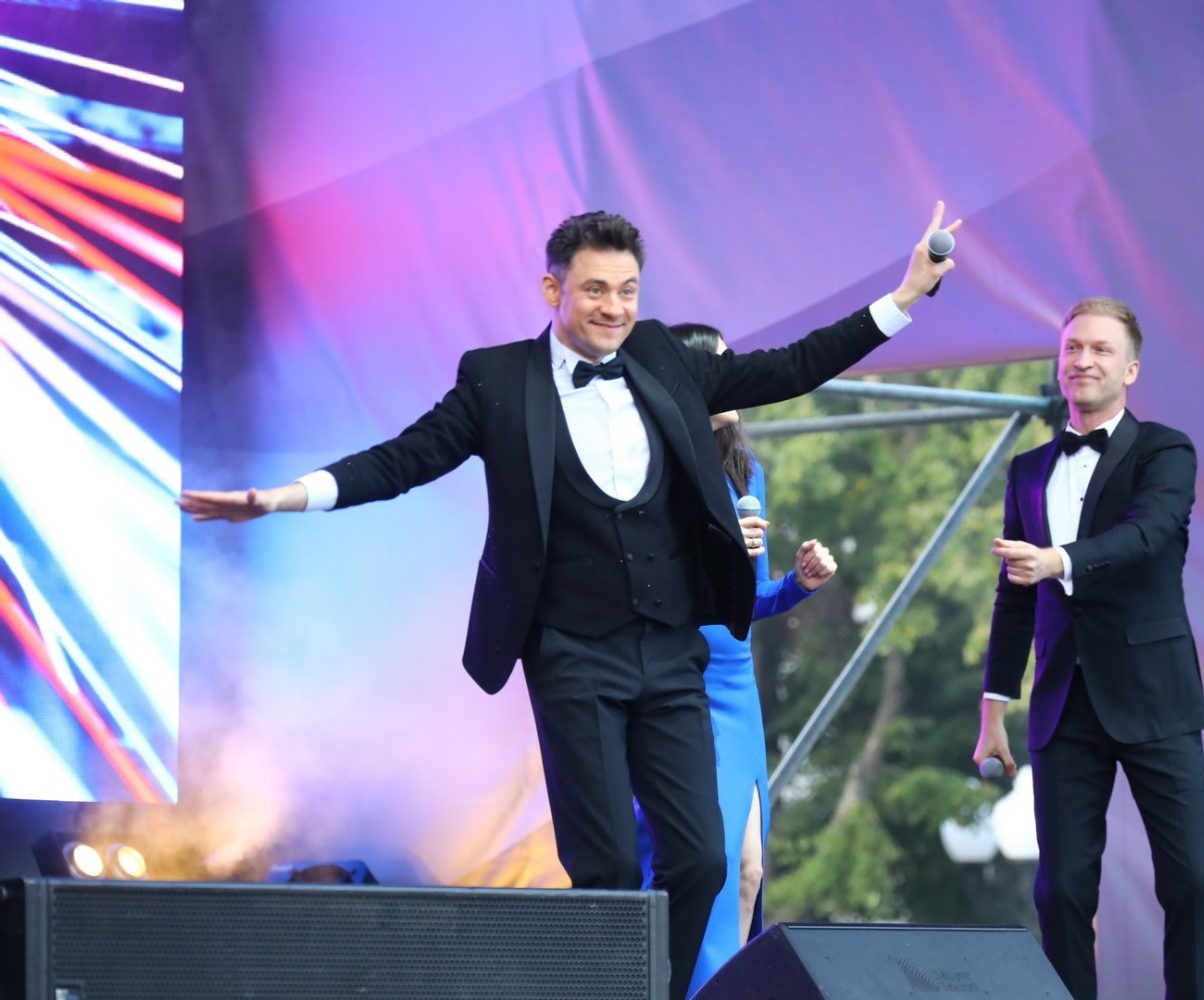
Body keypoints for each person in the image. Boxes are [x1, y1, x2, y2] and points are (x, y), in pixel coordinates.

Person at [181, 204, 958, 1000]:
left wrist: (904, 296)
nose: (614, 308)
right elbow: (405, 459)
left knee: (703, 860)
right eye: (594, 290)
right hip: (573, 656)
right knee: (609, 868)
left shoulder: (663, 357)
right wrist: (284, 497)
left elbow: (793, 366)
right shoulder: (497, 380)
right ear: (552, 289)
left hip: (671, 652)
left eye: (628, 290)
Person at [972, 297, 1204, 1000]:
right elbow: (1013, 597)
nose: (1082, 360)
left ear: (1130, 369)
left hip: (1156, 694)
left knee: (1191, 883)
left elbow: (1148, 536)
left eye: (1101, 349)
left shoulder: (1165, 451)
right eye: (1072, 348)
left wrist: (1058, 560)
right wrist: (993, 710)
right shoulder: (1027, 470)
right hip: (1064, 704)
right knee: (1063, 892)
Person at [633, 322, 836, 995]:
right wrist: (708, 553)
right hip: (676, 683)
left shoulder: (747, 473)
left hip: (736, 690)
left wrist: (798, 585)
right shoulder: (650, 469)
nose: (735, 378)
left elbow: (746, 602)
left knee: (750, 873)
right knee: (711, 869)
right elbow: (644, 590)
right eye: (719, 367)